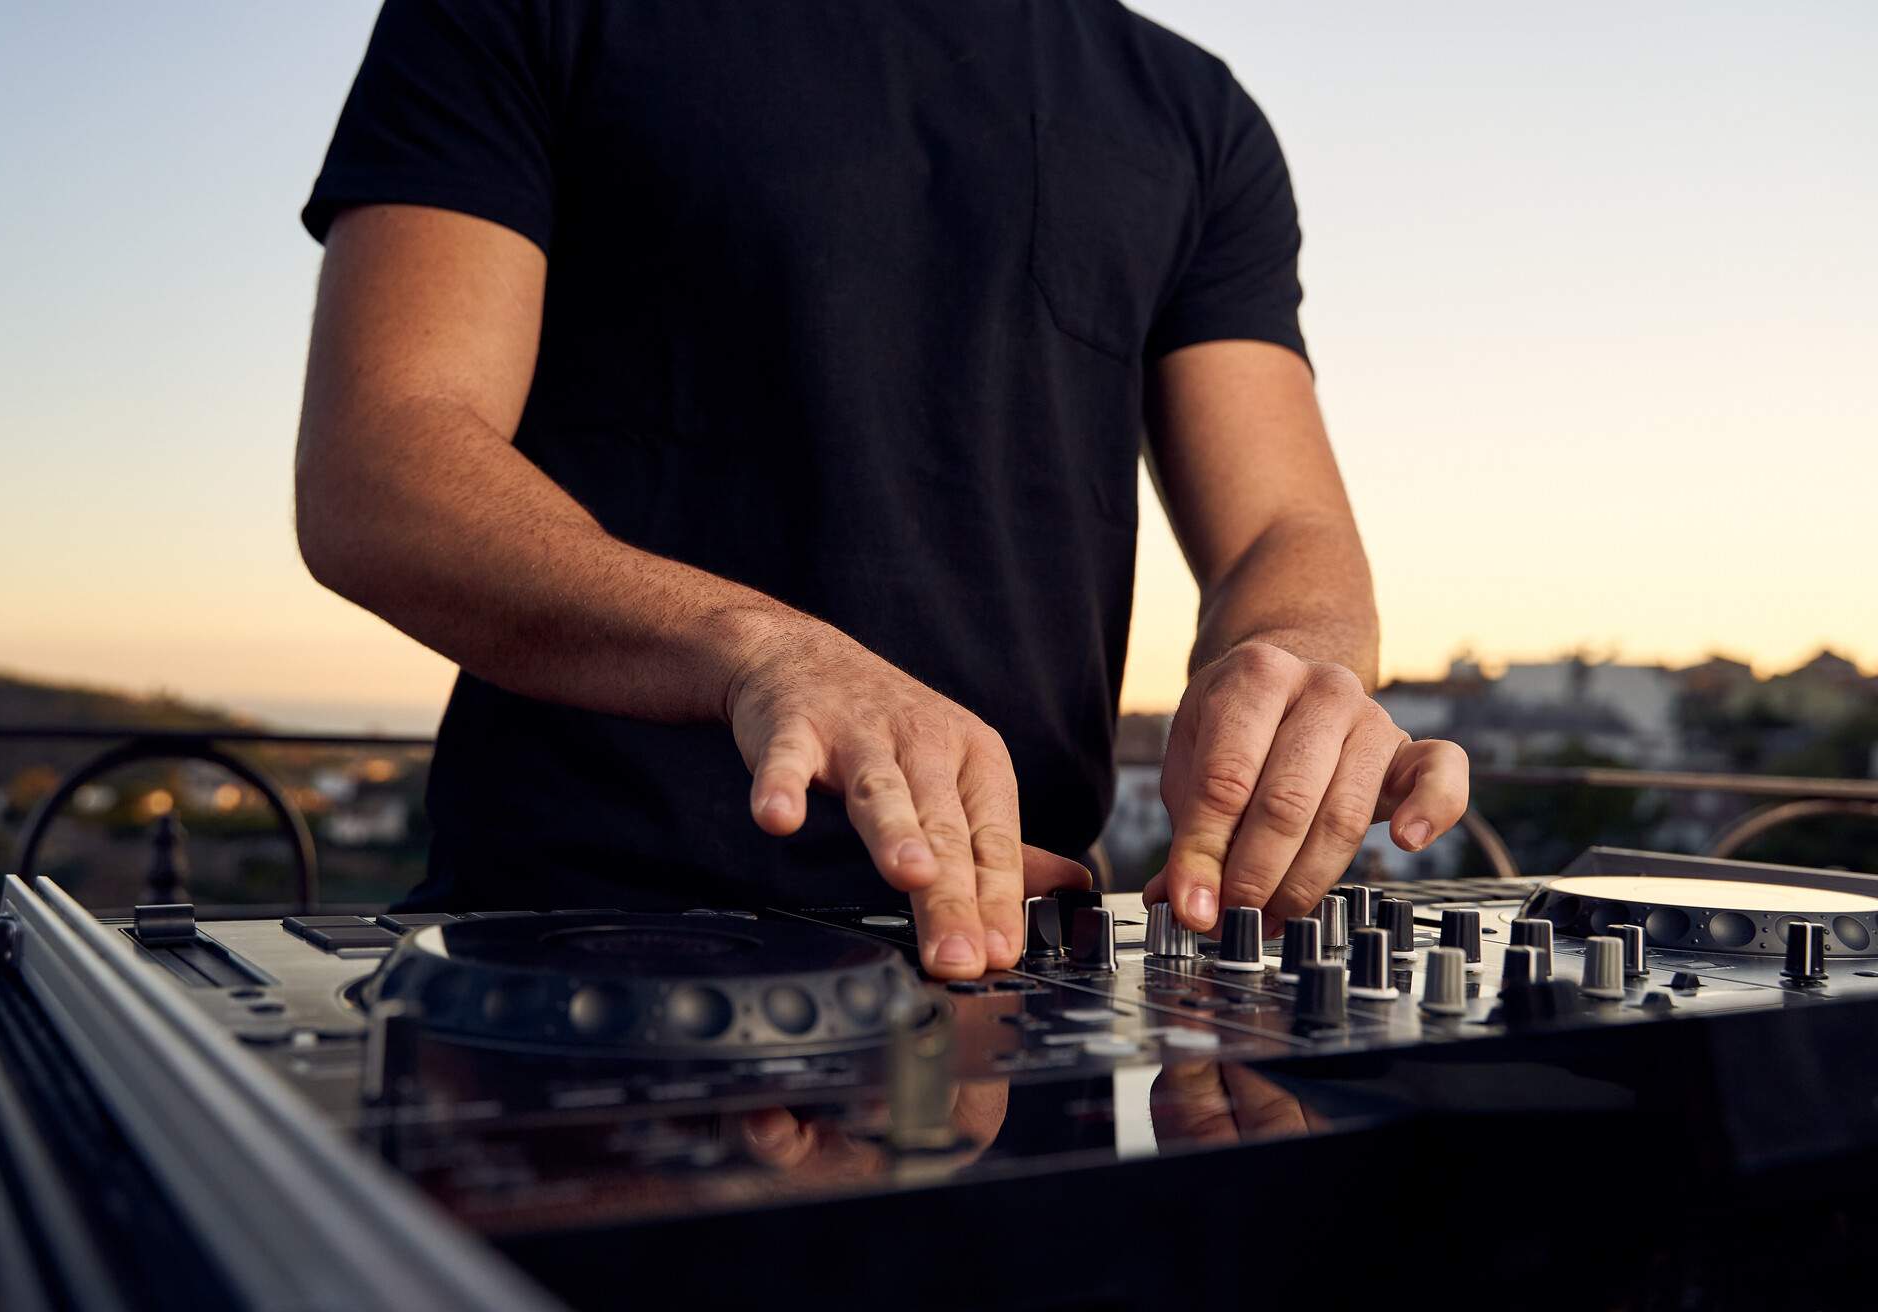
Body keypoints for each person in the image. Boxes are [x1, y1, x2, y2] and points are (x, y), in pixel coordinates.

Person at [294, 0, 1469, 980]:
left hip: (1004, 962)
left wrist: (1293, 663)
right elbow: (385, 464)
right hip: (565, 943)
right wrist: (764, 651)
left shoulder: (1198, 114)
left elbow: (1282, 526)